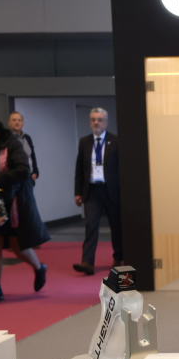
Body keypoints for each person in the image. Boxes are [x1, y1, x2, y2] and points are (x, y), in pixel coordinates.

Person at [0, 117, 49, 303]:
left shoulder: (12, 145)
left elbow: (23, 170)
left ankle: (39, 268)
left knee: (17, 247)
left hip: (14, 202)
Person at [73, 107, 121, 275]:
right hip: (92, 191)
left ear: (106, 122)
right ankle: (87, 262)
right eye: (93, 119)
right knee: (90, 225)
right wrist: (77, 192)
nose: (96, 122)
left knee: (116, 226)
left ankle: (118, 257)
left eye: (100, 120)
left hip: (111, 190)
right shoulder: (84, 142)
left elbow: (122, 168)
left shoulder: (116, 141)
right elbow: (79, 168)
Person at [8, 112, 40, 184]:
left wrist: (35, 171)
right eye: (14, 120)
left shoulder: (27, 138)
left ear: (23, 123)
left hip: (29, 177)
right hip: (14, 178)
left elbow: (32, 155)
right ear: (9, 123)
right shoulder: (7, 138)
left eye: (19, 120)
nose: (17, 122)